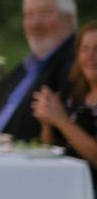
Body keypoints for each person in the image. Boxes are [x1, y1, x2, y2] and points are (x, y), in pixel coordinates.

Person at [0, 0, 78, 142]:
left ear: (69, 20)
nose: (35, 23)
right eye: (29, 15)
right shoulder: (26, 67)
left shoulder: (75, 64)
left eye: (45, 14)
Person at [33, 21, 97, 175]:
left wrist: (61, 121)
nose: (90, 57)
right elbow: (51, 148)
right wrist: (47, 122)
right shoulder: (76, 96)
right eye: (84, 49)